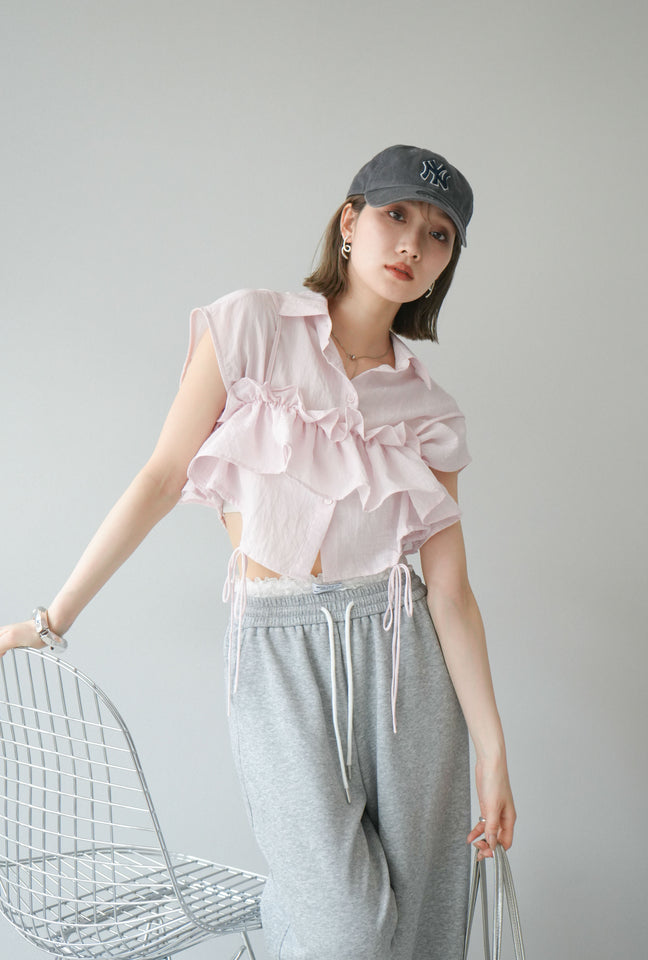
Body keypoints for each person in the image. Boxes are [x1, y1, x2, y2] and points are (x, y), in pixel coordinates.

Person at [0, 144, 515, 960]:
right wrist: (52, 617)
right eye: (396, 215)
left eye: (439, 234)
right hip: (277, 651)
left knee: (420, 925)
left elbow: (450, 593)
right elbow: (161, 477)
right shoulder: (250, 327)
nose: (413, 244)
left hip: (402, 665)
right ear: (350, 222)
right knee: (346, 929)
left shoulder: (429, 409)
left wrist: (492, 750)